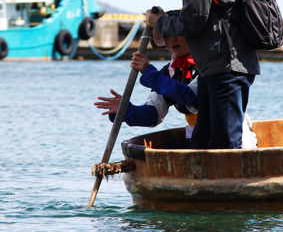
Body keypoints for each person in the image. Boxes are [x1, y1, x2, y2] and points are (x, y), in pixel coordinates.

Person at [137, 0, 260, 149]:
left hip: (226, 67)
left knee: (224, 145)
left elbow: (194, 20)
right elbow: (200, 11)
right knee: (203, 143)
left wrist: (160, 23)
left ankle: (229, 186)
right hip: (213, 68)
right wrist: (166, 17)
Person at [94, 28, 257, 148]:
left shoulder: (211, 66)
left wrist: (148, 72)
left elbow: (192, 98)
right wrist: (125, 110)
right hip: (198, 139)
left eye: (178, 32)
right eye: (167, 35)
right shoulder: (168, 73)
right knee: (171, 148)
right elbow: (153, 115)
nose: (173, 39)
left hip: (232, 138)